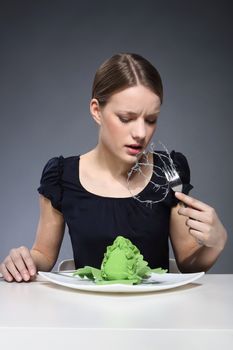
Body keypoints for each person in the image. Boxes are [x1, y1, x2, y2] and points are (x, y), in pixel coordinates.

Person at [0, 53, 227, 282]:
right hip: (83, 312)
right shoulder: (61, 177)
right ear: (97, 111)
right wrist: (23, 260)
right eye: (126, 118)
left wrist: (216, 243)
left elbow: (188, 262)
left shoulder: (169, 172)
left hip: (157, 312)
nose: (141, 133)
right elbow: (43, 256)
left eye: (151, 120)